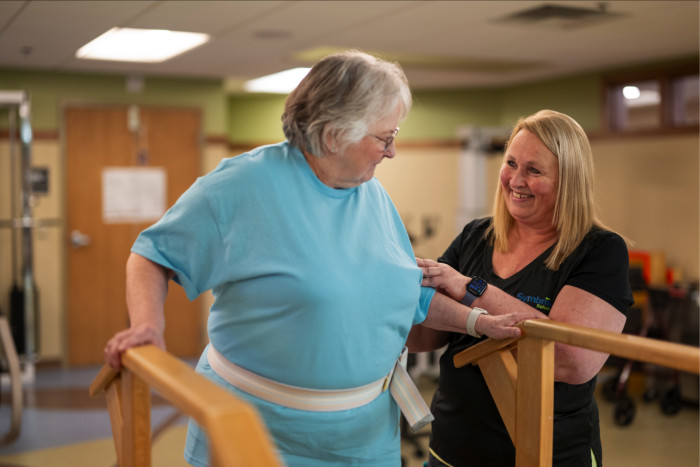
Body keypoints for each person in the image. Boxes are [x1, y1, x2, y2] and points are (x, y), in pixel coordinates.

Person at [103, 50, 541, 467]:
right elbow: (152, 255)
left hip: (365, 438)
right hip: (254, 430)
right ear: (335, 134)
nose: (392, 151)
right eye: (385, 137)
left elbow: (405, 294)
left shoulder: (373, 197)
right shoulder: (241, 186)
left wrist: (477, 321)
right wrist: (147, 326)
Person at [407, 109, 633, 467]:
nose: (515, 179)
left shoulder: (600, 251)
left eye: (534, 170)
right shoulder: (475, 237)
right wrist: (397, 298)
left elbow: (572, 359)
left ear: (568, 180)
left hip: (546, 454)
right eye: (511, 163)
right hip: (451, 447)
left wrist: (469, 287)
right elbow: (423, 338)